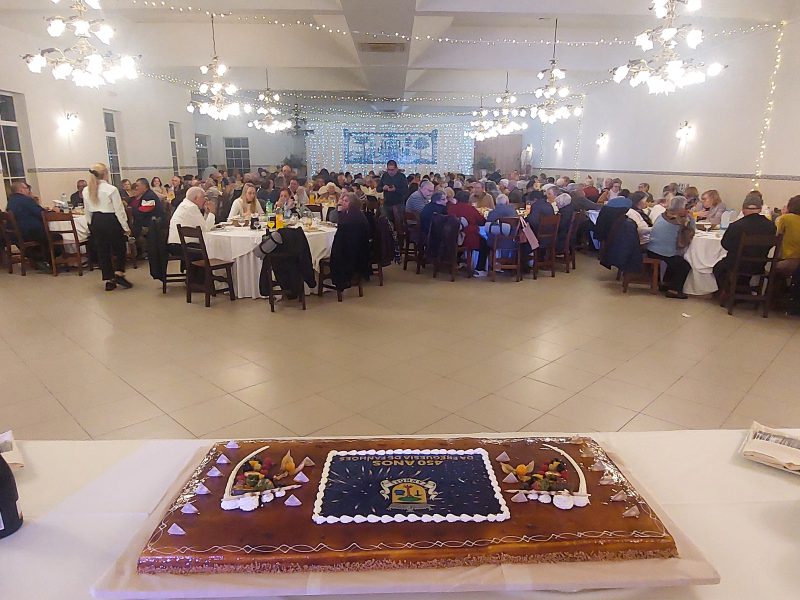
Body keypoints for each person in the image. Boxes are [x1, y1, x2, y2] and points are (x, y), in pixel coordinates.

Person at [711, 194, 777, 293]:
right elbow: (770, 245)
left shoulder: (736, 226)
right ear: (759, 209)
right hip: (759, 266)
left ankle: (730, 292)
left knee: (719, 268)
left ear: (743, 209)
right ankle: (742, 292)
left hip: (737, 264)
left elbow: (725, 244)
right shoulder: (771, 226)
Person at [83, 163, 132, 291]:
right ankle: (119, 272)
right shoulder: (111, 189)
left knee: (103, 251)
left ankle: (109, 279)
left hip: (96, 221)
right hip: (110, 220)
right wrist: (125, 227)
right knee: (119, 248)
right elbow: (119, 211)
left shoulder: (86, 190)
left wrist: (90, 225)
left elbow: (87, 210)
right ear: (105, 173)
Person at [646, 195, 695, 299]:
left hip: (652, 248)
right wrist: (691, 218)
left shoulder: (663, 214)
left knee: (674, 261)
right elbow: (690, 232)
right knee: (684, 265)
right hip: (664, 251)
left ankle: (666, 284)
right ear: (681, 208)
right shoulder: (679, 221)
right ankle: (674, 290)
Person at [6, 181, 59, 269]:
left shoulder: (11, 200)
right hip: (29, 233)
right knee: (58, 237)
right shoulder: (26, 200)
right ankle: (46, 260)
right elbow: (42, 214)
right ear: (21, 190)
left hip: (17, 234)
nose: (29, 191)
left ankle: (37, 259)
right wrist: (54, 211)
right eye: (27, 189)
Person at [449, 190, 489, 277]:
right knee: (485, 244)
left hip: (450, 237)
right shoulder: (470, 209)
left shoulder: (451, 208)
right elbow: (481, 221)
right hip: (467, 238)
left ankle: (457, 262)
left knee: (458, 243)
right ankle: (480, 269)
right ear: (468, 199)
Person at [168, 186, 216, 256]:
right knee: (213, 248)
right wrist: (212, 213)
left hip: (177, 244)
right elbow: (206, 229)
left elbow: (202, 226)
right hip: (183, 246)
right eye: (203, 197)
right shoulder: (191, 207)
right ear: (196, 198)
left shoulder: (185, 205)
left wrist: (206, 213)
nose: (206, 200)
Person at [129, 178, 164, 258]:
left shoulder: (149, 196)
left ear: (144, 186)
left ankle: (141, 251)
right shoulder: (146, 195)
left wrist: (131, 210)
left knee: (131, 229)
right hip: (148, 221)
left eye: (138, 185)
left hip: (152, 224)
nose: (136, 188)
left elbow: (144, 211)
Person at [776, 195, 800, 276]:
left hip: (789, 260)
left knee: (769, 267)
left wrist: (782, 215)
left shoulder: (786, 218)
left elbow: (777, 237)